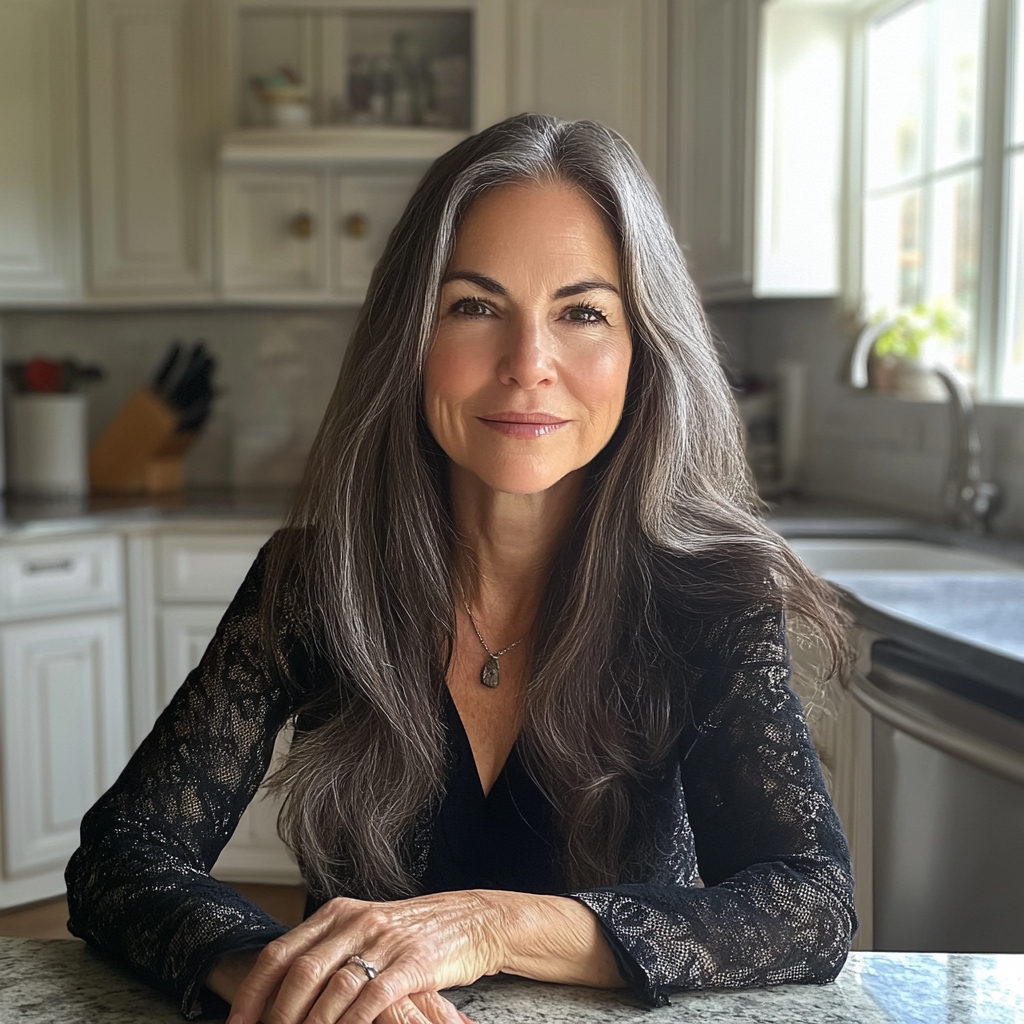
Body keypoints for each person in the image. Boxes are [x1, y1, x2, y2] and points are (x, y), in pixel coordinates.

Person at [66, 113, 856, 1024]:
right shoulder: (319, 578)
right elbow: (122, 855)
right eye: (475, 307)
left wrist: (490, 925)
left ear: (643, 353)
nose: (529, 365)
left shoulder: (710, 596)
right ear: (411, 339)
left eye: (583, 313)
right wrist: (281, 975)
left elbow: (809, 904)